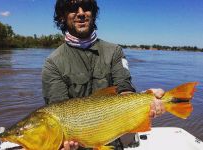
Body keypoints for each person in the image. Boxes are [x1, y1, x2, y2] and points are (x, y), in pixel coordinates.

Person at [42, 0, 165, 150]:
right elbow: (57, 112)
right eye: (73, 8)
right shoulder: (53, 63)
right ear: (62, 16)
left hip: (112, 142)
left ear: (93, 14)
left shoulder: (115, 51)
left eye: (86, 8)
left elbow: (124, 90)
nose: (81, 13)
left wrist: (147, 99)